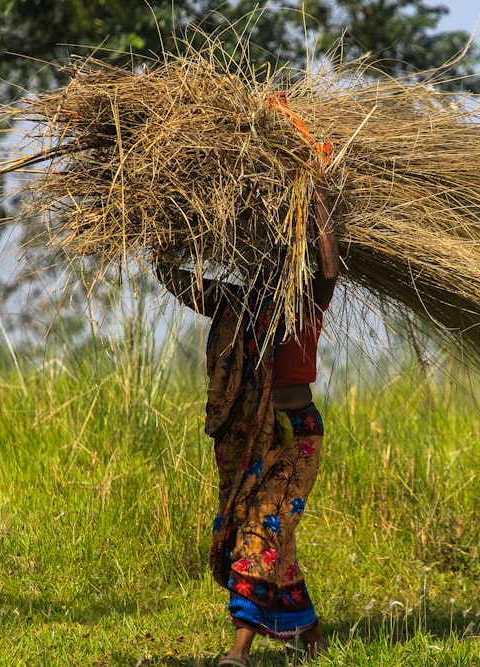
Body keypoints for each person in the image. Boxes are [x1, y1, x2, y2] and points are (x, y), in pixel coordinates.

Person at [157, 170, 338, 666]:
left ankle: (238, 653)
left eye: (286, 260)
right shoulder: (238, 304)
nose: (277, 268)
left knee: (260, 531)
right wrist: (164, 225)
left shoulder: (306, 305)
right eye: (270, 259)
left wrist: (314, 195)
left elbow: (328, 267)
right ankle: (313, 637)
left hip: (298, 436)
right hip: (252, 438)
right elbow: (177, 281)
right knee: (269, 532)